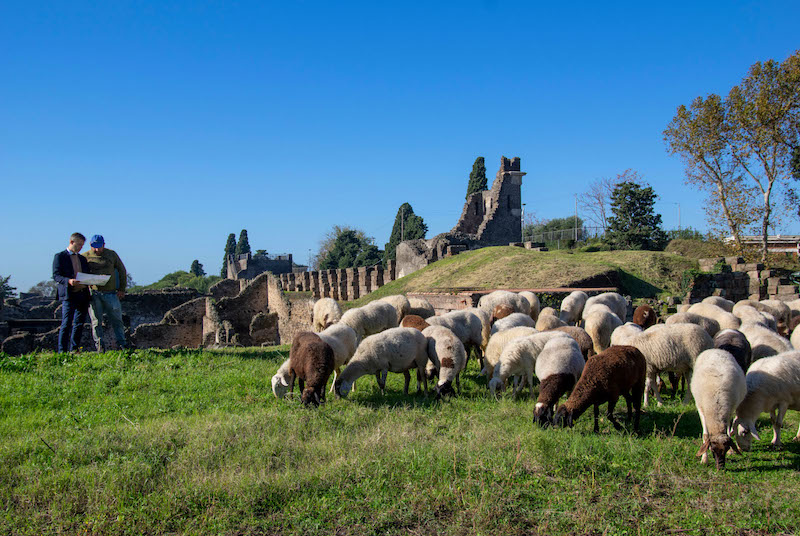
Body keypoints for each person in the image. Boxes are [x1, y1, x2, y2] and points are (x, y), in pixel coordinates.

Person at [84, 234, 129, 351]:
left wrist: (122, 289)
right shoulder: (85, 257)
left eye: (99, 246)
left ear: (104, 245)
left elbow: (122, 270)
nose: (97, 249)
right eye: (94, 247)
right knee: (96, 321)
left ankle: (122, 344)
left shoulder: (111, 254)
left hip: (110, 293)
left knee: (117, 320)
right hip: (94, 293)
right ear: (90, 245)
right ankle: (99, 345)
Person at [52, 232, 91, 353]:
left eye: (82, 245)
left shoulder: (82, 259)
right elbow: (56, 276)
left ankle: (75, 349)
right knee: (66, 323)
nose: (80, 247)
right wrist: (68, 281)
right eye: (78, 244)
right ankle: (62, 351)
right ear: (71, 242)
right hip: (69, 294)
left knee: (79, 324)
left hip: (82, 294)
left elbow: (86, 274)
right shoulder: (60, 256)